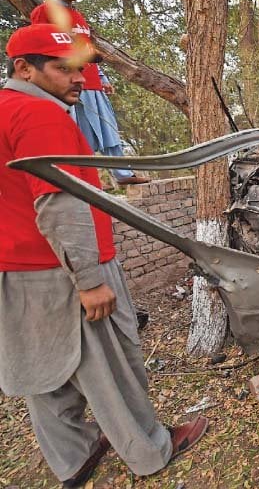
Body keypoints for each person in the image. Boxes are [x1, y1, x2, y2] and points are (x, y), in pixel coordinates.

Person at [0, 24, 207, 487]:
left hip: (16, 269)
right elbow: (60, 204)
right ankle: (151, 450)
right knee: (110, 367)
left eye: (81, 69)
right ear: (24, 68)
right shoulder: (41, 116)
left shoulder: (5, 110)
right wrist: (90, 280)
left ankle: (73, 457)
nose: (78, 79)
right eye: (63, 68)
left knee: (45, 372)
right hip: (64, 270)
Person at [29, 0, 148, 185]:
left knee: (109, 130)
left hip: (91, 81)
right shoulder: (44, 12)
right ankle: (81, 179)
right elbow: (40, 48)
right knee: (76, 136)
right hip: (67, 84)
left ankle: (123, 175)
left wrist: (102, 78)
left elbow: (88, 50)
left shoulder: (78, 16)